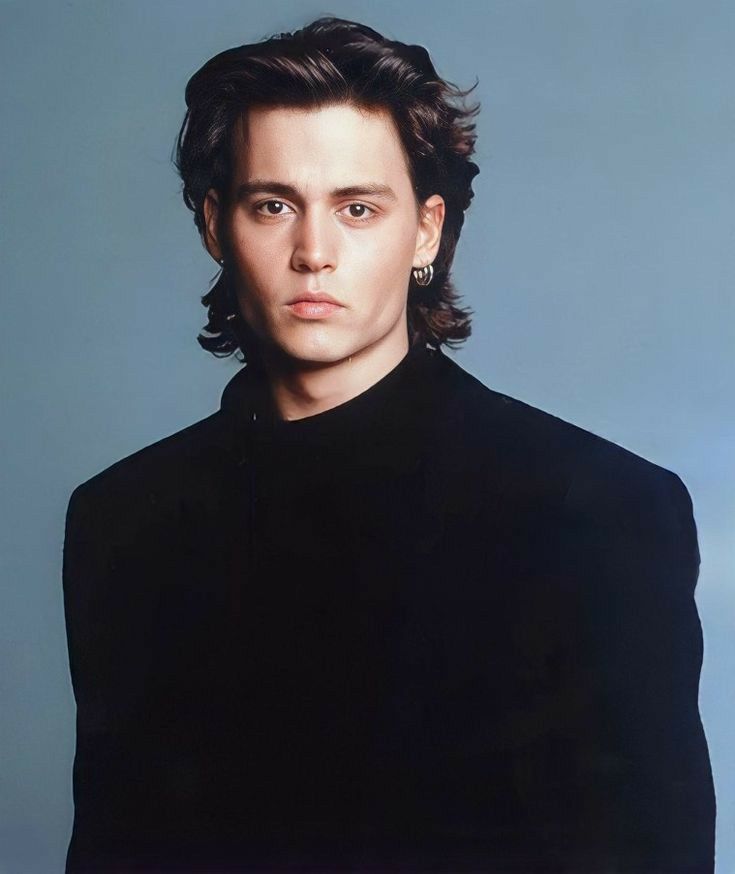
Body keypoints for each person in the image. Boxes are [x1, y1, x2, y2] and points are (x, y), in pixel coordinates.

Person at [61, 16, 716, 873]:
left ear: (424, 231)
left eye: (357, 207)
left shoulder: (593, 510)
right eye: (273, 205)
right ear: (217, 226)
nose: (313, 253)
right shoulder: (123, 520)